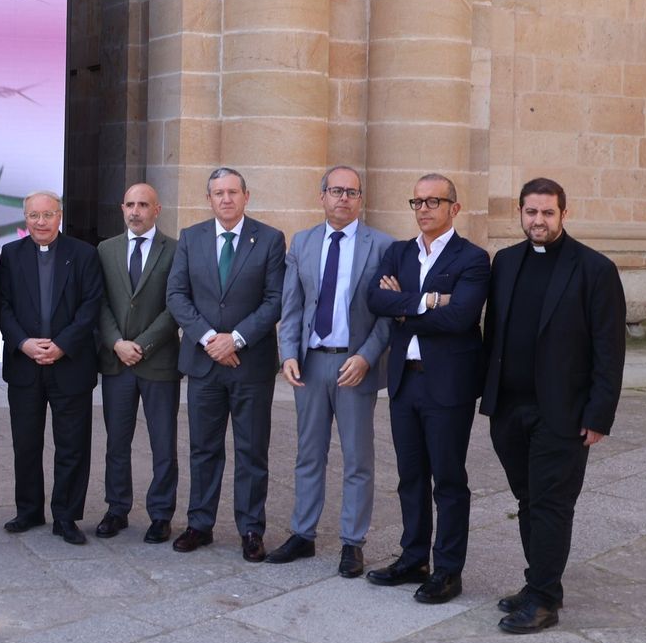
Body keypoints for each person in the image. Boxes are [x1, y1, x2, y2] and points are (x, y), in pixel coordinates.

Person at [482, 177, 626, 633]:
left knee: (552, 503)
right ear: (520, 213)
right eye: (530, 212)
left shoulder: (594, 269)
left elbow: (609, 349)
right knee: (527, 499)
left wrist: (598, 415)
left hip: (561, 413)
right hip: (510, 409)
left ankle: (544, 599)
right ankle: (538, 583)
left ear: (564, 213)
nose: (538, 220)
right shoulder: (505, 262)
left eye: (547, 212)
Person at [365, 173, 490, 604]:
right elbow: (375, 300)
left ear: (454, 208)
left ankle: (448, 570)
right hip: (404, 381)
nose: (423, 209)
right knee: (410, 476)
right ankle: (413, 557)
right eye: (417, 201)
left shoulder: (473, 258)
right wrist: (432, 299)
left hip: (448, 385)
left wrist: (406, 307)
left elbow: (461, 318)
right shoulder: (397, 252)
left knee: (449, 480)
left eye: (433, 201)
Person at [268, 166, 392, 577]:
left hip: (354, 363)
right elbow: (292, 305)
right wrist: (287, 352)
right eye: (335, 191)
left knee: (357, 458)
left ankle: (352, 543)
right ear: (321, 196)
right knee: (309, 453)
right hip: (311, 361)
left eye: (351, 192)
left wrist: (367, 356)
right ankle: (303, 534)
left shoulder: (383, 246)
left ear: (361, 199)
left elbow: (388, 316)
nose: (343, 198)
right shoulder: (302, 242)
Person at [165, 167, 286, 561]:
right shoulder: (191, 238)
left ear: (246, 196)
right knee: (203, 448)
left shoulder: (269, 239)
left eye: (233, 192)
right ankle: (200, 523)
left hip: (249, 363)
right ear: (209, 199)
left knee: (252, 449)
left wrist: (233, 339)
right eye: (218, 193)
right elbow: (177, 295)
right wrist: (208, 339)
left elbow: (275, 300)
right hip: (204, 365)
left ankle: (251, 528)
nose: (226, 199)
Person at [0, 191, 103, 544]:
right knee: (25, 443)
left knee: (72, 445)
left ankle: (66, 516)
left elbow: (91, 306)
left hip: (70, 363)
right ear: (24, 219)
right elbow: (2, 305)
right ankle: (28, 511)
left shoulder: (84, 254)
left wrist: (62, 345)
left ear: (60, 215)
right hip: (25, 365)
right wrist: (23, 343)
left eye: (47, 215)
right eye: (33, 216)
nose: (40, 222)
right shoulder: (10, 255)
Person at [94, 182, 180, 544]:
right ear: (122, 207)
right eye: (129, 204)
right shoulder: (105, 249)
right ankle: (117, 508)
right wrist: (116, 342)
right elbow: (99, 303)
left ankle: (161, 514)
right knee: (117, 441)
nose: (135, 211)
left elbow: (175, 305)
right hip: (117, 364)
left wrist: (141, 345)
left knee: (163, 442)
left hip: (157, 362)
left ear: (157, 210)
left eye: (143, 204)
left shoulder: (175, 251)